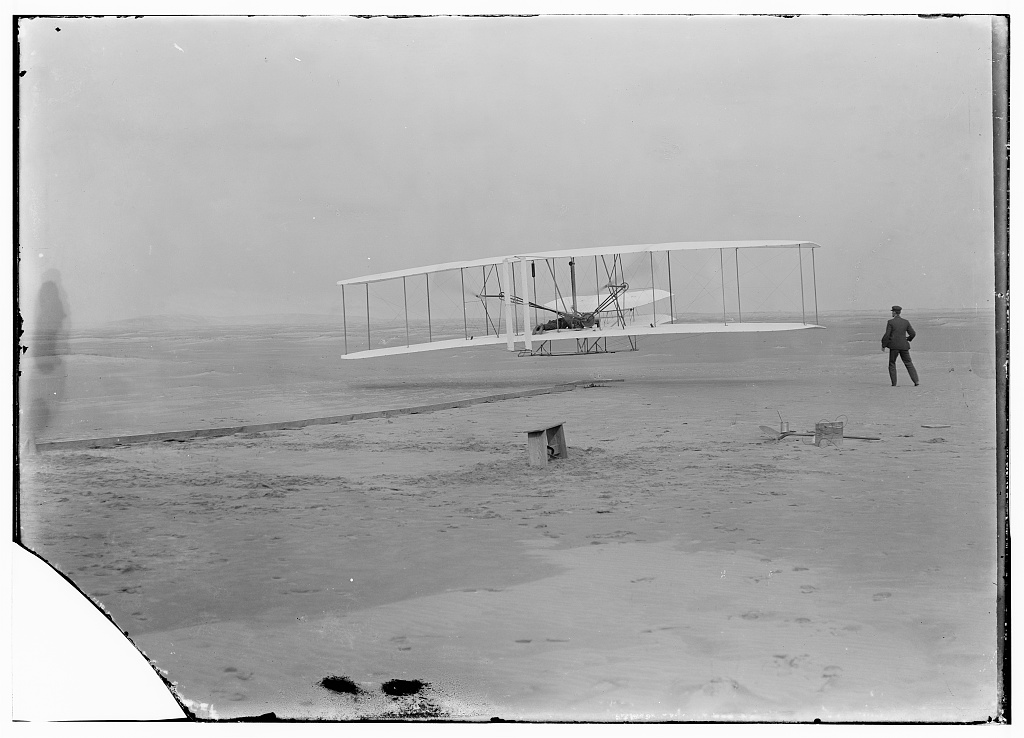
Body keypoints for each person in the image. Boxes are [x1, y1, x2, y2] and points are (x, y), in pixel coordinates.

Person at [881, 305, 919, 386]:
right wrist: (908, 339)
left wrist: (883, 345)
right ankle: (916, 381)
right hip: (904, 346)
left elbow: (887, 335)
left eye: (892, 311)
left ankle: (894, 383)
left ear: (894, 312)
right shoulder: (906, 322)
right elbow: (913, 333)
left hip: (894, 346)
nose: (892, 313)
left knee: (892, 363)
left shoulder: (890, 322)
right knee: (908, 363)